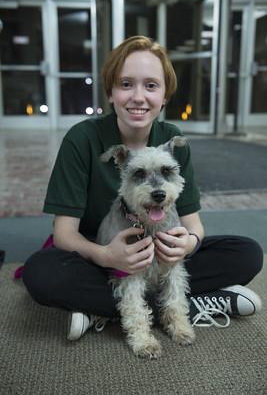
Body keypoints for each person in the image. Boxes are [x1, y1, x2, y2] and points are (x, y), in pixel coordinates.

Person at [22, 36, 263, 340]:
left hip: (160, 257)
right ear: (110, 92)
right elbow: (64, 235)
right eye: (126, 84)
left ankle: (98, 309)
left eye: (151, 85)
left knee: (247, 252)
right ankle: (193, 303)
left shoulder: (172, 139)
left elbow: (194, 226)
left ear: (164, 95)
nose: (138, 96)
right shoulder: (81, 139)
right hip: (97, 256)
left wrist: (186, 244)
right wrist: (106, 256)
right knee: (41, 272)